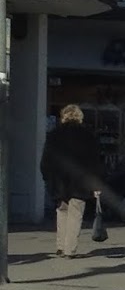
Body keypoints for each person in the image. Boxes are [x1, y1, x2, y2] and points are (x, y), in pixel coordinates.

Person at [41, 105, 104, 258]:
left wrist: (47, 177)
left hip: (59, 181)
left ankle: (60, 246)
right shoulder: (88, 135)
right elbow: (94, 163)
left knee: (62, 211)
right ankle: (70, 249)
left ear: (63, 116)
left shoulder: (54, 135)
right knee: (75, 214)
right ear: (80, 117)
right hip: (80, 182)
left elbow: (46, 160)